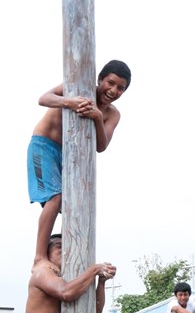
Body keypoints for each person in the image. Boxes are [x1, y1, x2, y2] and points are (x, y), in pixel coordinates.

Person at [29, 60, 132, 263]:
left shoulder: (112, 114)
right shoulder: (77, 87)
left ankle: (69, 255)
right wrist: (70, 102)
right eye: (110, 83)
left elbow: (101, 146)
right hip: (44, 146)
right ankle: (40, 256)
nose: (113, 90)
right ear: (100, 79)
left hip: (71, 158)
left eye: (121, 88)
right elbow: (44, 98)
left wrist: (97, 116)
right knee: (55, 199)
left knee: (74, 206)